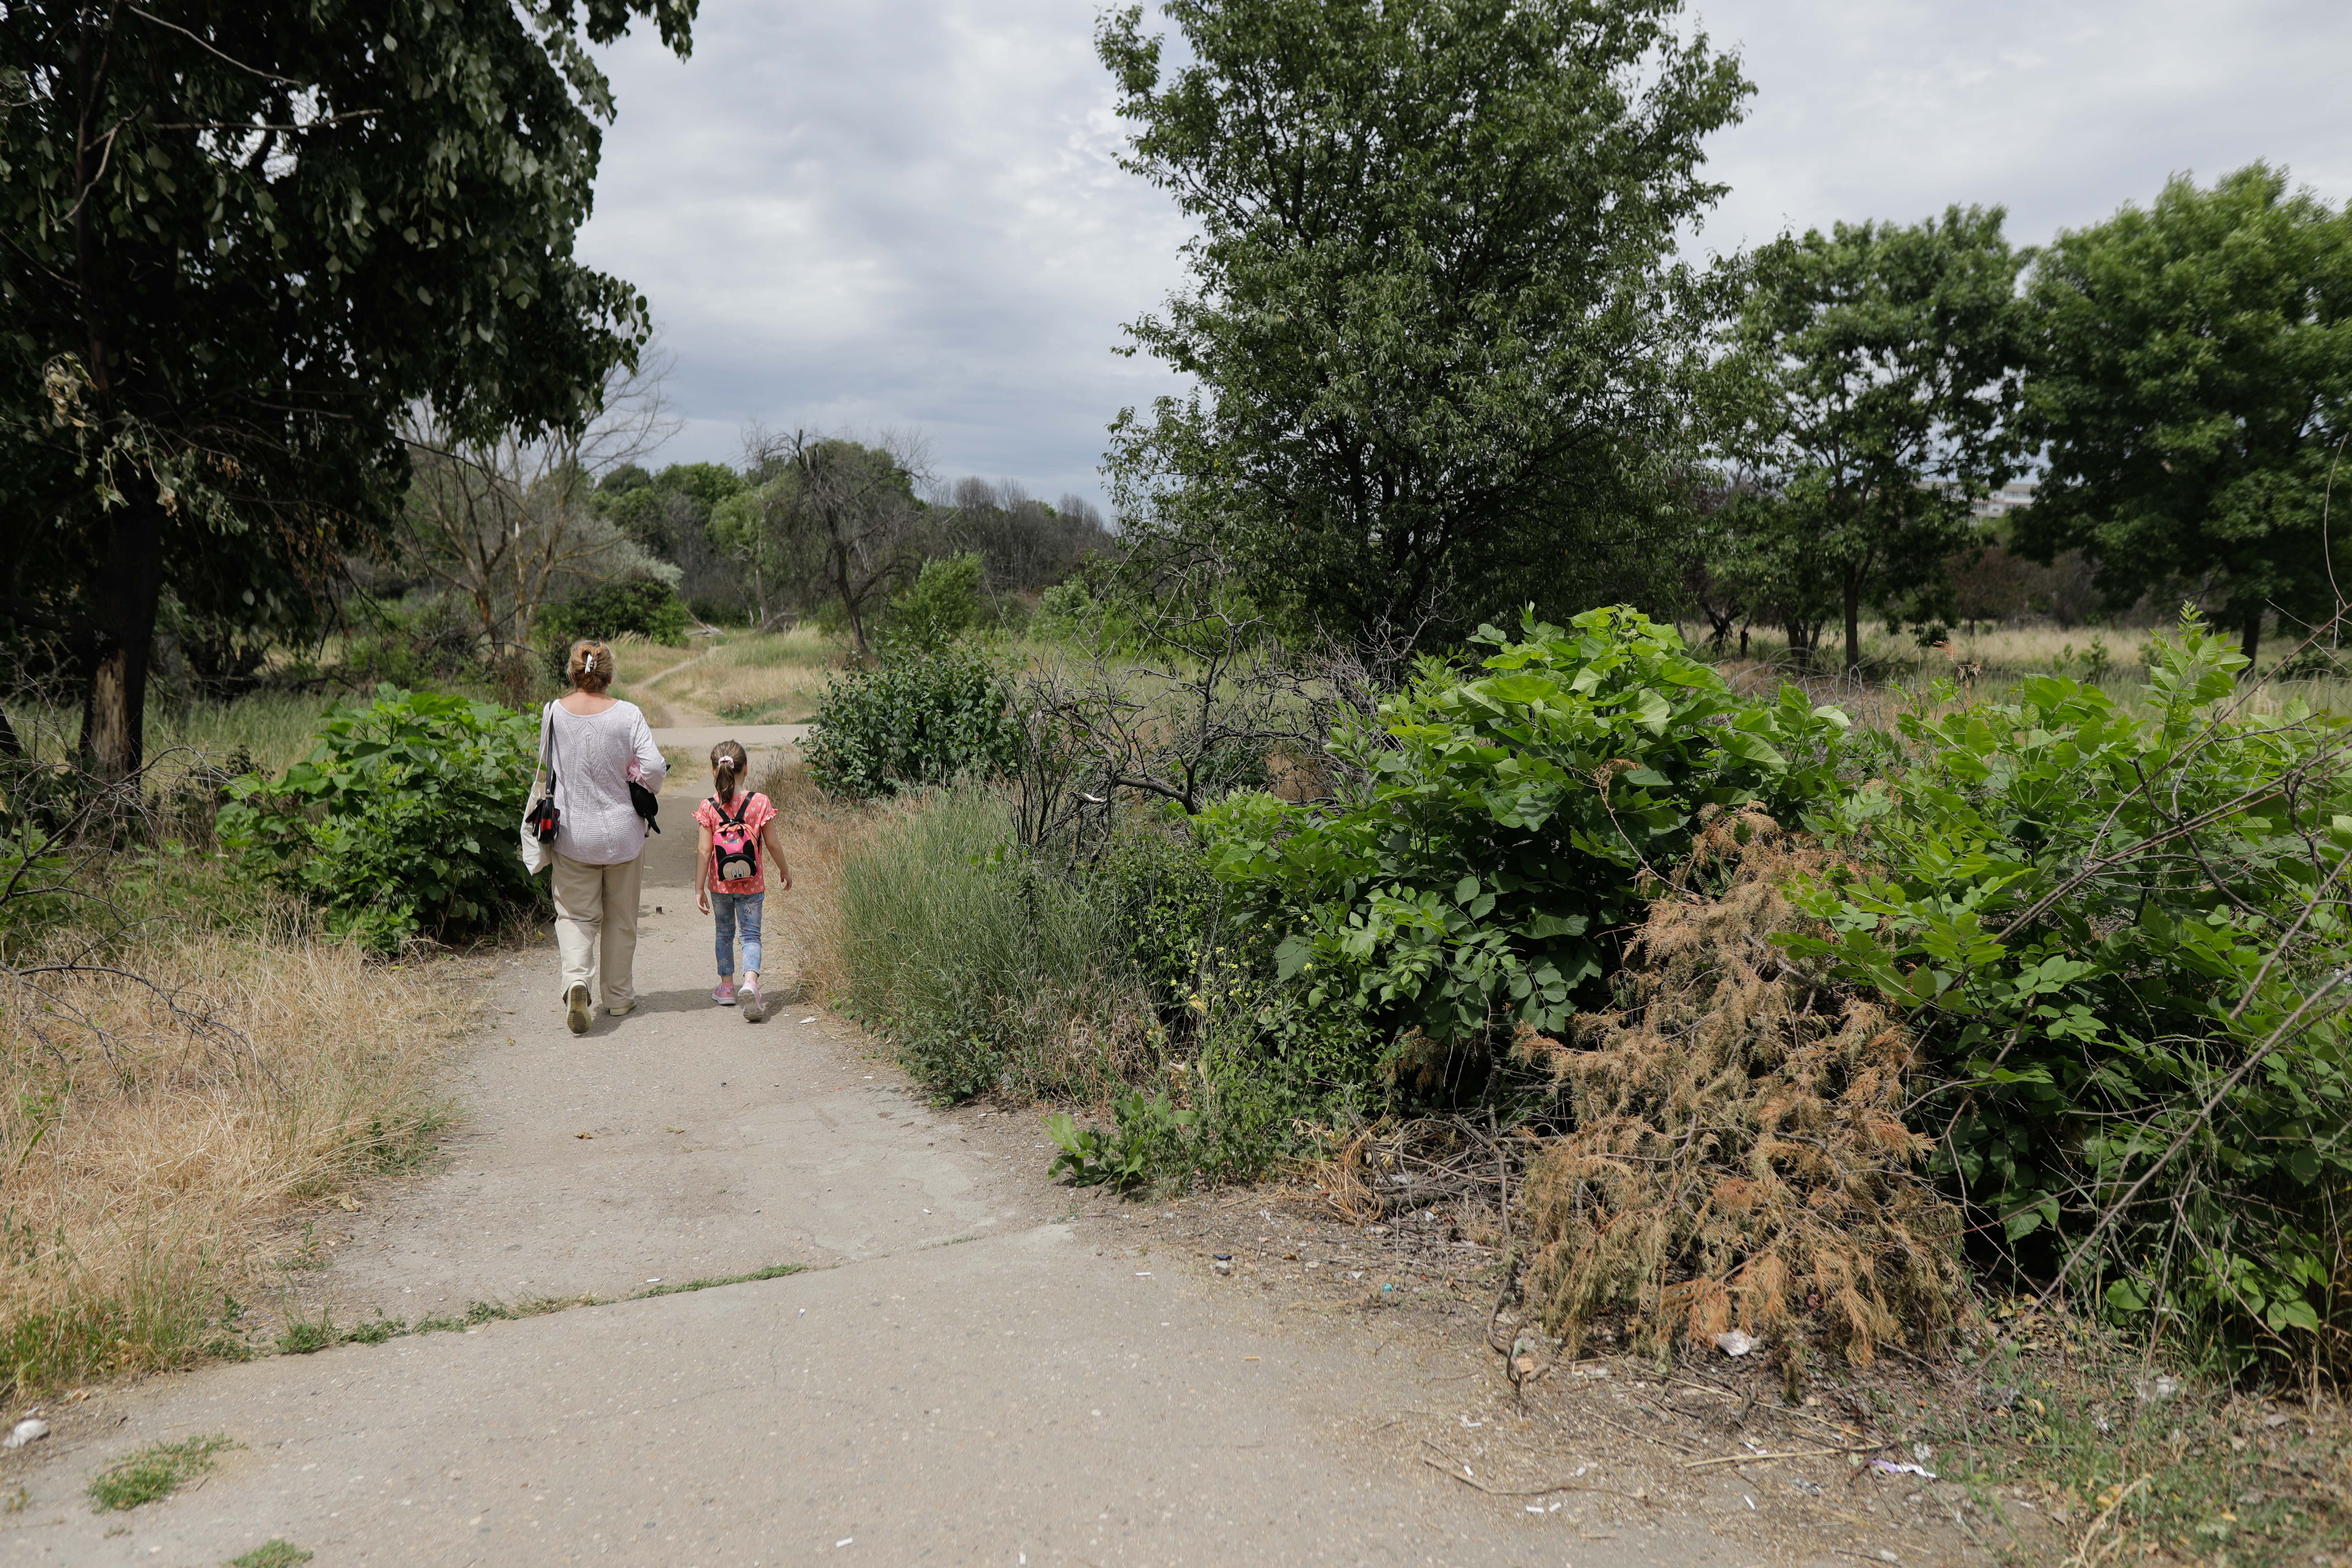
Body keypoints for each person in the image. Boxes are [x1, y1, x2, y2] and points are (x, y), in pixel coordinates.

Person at [541, 639, 666, 1035]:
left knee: (575, 915)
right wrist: (635, 777)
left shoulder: (553, 713)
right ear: (609, 676)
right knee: (621, 918)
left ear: (573, 673)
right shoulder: (628, 715)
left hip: (573, 836)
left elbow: (548, 765)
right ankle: (618, 998)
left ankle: (577, 981)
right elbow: (654, 770)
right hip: (623, 835)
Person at [693, 739, 791, 1023]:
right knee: (751, 936)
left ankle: (726, 987)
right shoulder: (759, 803)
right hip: (753, 885)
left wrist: (699, 887)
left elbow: (704, 850)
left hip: (720, 886)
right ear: (745, 769)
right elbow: (772, 843)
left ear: (714, 771)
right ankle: (750, 983)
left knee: (724, 933)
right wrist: (785, 870)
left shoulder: (709, 807)